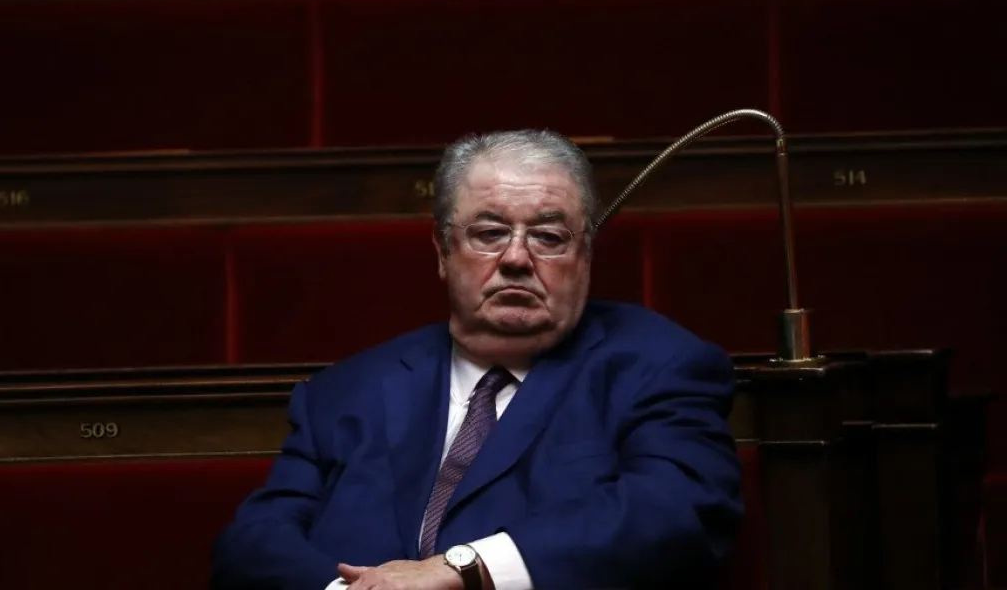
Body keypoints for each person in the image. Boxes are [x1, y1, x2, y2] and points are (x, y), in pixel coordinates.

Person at [210, 129, 744, 590]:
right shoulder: (345, 391)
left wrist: (462, 569)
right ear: (443, 252)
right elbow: (253, 543)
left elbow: (679, 509)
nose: (516, 257)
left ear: (585, 257)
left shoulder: (657, 363)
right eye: (489, 233)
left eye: (549, 237)